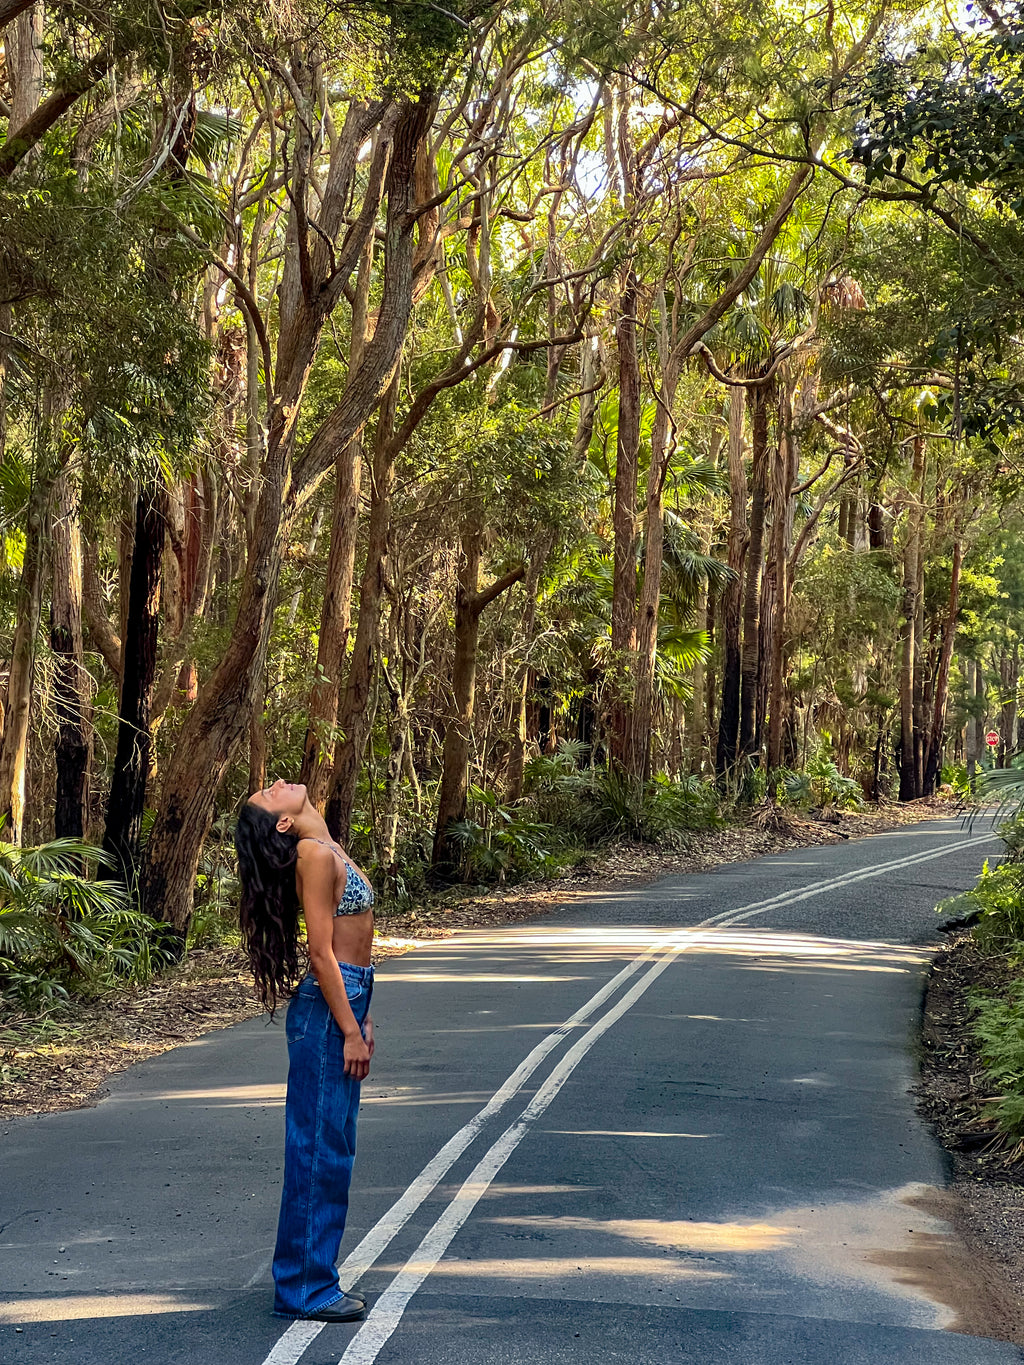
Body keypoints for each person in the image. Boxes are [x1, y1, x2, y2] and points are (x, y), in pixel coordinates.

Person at [234, 778, 375, 1322]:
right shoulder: (313, 855)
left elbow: (351, 945)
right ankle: (304, 1289)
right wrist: (349, 1028)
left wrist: (361, 1017)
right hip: (328, 1007)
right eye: (270, 795)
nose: (277, 784)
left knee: (332, 1149)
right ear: (283, 824)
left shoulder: (326, 845)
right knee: (319, 1150)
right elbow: (321, 954)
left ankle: (313, 1279)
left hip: (345, 1000)